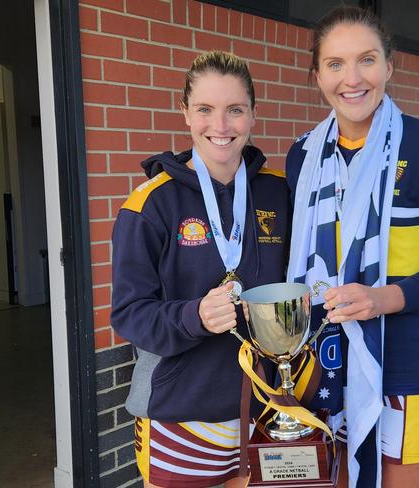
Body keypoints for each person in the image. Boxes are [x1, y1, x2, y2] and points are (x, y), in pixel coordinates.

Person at [286, 7, 419, 488]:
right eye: (335, 64)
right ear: (317, 76)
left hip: (402, 364)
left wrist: (381, 299)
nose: (352, 78)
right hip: (320, 366)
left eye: (366, 60)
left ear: (389, 66)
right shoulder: (302, 155)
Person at [111, 51, 290, 488]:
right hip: (181, 418)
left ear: (253, 114)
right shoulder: (150, 204)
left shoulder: (279, 193)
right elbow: (129, 313)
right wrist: (195, 316)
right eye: (205, 109)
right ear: (185, 113)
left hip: (267, 411)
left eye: (235, 110)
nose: (221, 126)